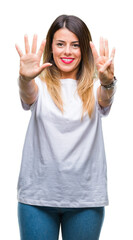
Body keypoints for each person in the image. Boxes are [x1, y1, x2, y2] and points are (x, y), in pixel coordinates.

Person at [15, 14, 116, 240]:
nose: (67, 52)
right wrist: (24, 79)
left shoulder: (94, 87)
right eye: (60, 44)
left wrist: (108, 82)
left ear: (84, 50)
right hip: (37, 199)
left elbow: (105, 98)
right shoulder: (38, 84)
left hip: (86, 200)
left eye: (75, 45)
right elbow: (27, 94)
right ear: (51, 47)